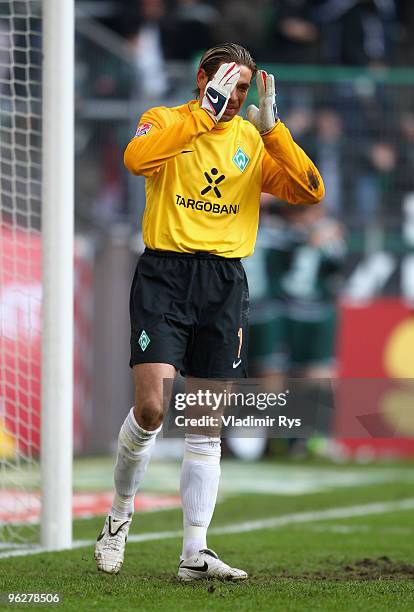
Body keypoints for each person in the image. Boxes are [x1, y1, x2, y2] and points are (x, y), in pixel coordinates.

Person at [94, 43, 324, 581]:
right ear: (202, 78)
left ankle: (194, 552)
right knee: (151, 410)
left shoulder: (250, 139)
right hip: (164, 276)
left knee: (204, 423)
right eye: (227, 83)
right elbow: (134, 160)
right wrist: (202, 114)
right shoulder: (165, 121)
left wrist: (274, 132)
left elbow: (310, 190)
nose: (235, 96)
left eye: (243, 89)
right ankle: (119, 516)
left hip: (223, 282)